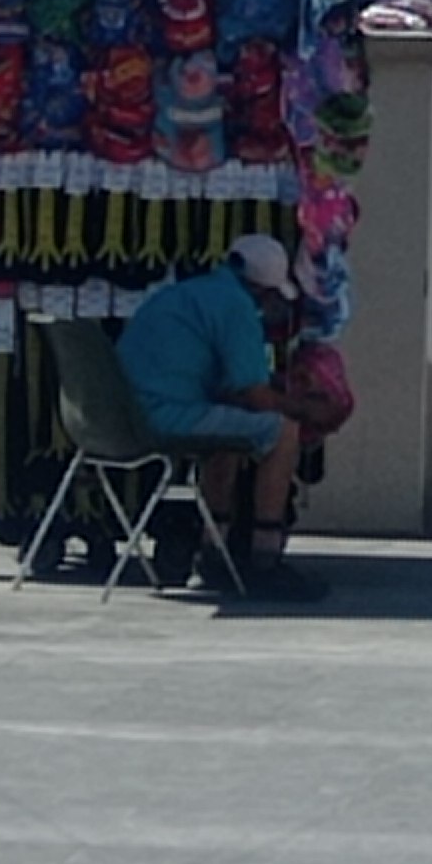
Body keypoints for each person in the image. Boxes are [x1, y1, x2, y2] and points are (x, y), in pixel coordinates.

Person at [110, 232, 319, 598]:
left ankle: (214, 547)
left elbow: (231, 388)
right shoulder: (237, 307)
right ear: (263, 290)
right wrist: (308, 409)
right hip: (166, 419)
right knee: (283, 431)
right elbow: (256, 396)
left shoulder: (188, 293)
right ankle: (264, 555)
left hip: (125, 415)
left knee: (229, 426)